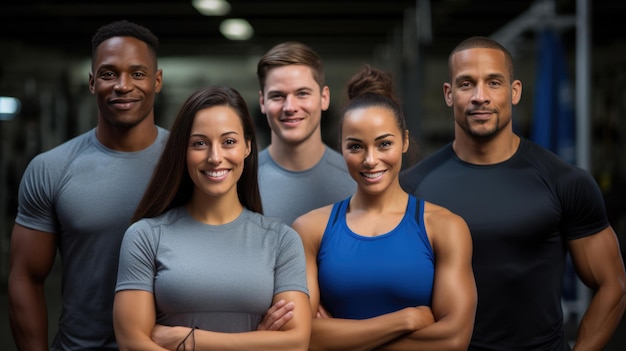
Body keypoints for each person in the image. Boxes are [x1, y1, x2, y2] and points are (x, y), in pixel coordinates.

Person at [399, 35, 626, 350]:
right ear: (449, 95)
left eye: (493, 82)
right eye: (467, 84)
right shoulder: (411, 187)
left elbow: (612, 286)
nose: (481, 96)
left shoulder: (564, 181)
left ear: (514, 91)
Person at [7, 20, 169, 350]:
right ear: (93, 82)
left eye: (137, 74)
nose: (123, 85)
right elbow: (25, 276)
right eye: (109, 74)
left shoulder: (189, 163)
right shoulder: (51, 168)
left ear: (157, 80)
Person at [292, 64, 477, 350]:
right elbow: (302, 338)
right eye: (355, 147)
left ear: (404, 141)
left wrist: (340, 339)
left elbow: (453, 340)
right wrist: (405, 319)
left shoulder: (445, 227)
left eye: (384, 144)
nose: (370, 159)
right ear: (340, 147)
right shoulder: (310, 229)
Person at [113, 86, 311, 350]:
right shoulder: (145, 236)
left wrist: (191, 340)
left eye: (229, 142)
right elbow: (132, 342)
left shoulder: (282, 241)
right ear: (182, 151)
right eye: (199, 143)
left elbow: (295, 343)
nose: (215, 157)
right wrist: (257, 342)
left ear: (247, 147)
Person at [256, 41, 356, 225]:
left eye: (302, 93)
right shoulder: (238, 181)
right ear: (263, 102)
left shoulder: (357, 179)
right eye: (277, 96)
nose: (290, 107)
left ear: (324, 98)